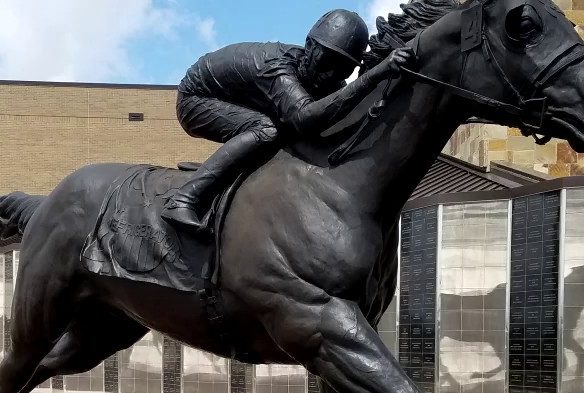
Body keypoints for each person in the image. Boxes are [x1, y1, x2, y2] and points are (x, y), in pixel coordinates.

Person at [162, 9, 413, 231]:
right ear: (310, 46)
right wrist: (375, 75)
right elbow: (305, 118)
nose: (330, 75)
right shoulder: (278, 69)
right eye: (326, 61)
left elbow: (335, 110)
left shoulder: (319, 74)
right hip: (196, 99)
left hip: (242, 100)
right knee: (266, 130)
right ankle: (184, 199)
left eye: (342, 69)